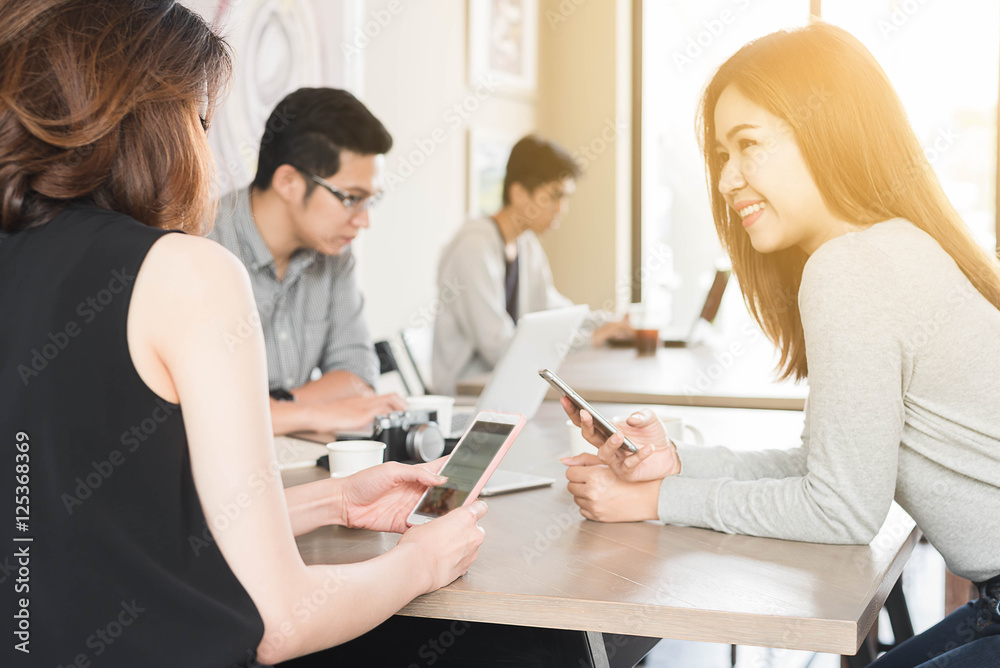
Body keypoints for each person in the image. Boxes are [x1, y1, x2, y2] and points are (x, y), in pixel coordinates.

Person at [0, 2, 486, 665]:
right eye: (201, 120)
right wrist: (424, 561)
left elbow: (93, 532)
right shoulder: (184, 271)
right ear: (156, 123)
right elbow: (281, 621)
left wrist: (336, 496)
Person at [560, 23, 1000, 667]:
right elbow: (828, 471)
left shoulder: (852, 267)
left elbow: (839, 511)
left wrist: (652, 502)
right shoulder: (890, 243)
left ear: (827, 133)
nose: (727, 178)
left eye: (749, 146)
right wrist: (677, 466)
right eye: (721, 155)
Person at [208, 87, 406, 435]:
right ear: (288, 182)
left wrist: (280, 410)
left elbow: (358, 376)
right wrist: (314, 413)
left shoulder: (334, 254)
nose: (364, 220)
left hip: (295, 455)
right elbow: (205, 409)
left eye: (369, 201)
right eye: (351, 198)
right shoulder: (202, 246)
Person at [431, 134, 633, 395]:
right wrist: (588, 341)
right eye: (555, 196)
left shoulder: (526, 245)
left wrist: (608, 323)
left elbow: (554, 311)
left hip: (508, 389)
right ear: (518, 194)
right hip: (466, 400)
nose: (562, 209)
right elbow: (499, 347)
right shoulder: (474, 246)